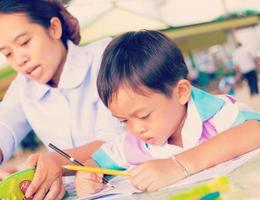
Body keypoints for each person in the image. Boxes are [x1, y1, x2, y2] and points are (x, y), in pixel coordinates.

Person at [75, 30, 260, 196]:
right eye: (123, 120)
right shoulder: (134, 142)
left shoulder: (216, 112)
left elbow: (254, 130)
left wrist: (179, 165)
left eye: (144, 116)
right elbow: (96, 163)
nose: (135, 129)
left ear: (181, 92)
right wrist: (88, 175)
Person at [0, 0, 123, 199]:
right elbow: (3, 124)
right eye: (7, 53)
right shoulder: (24, 87)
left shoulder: (105, 56)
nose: (19, 59)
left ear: (54, 28)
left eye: (24, 42)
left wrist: (58, 161)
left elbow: (119, 138)